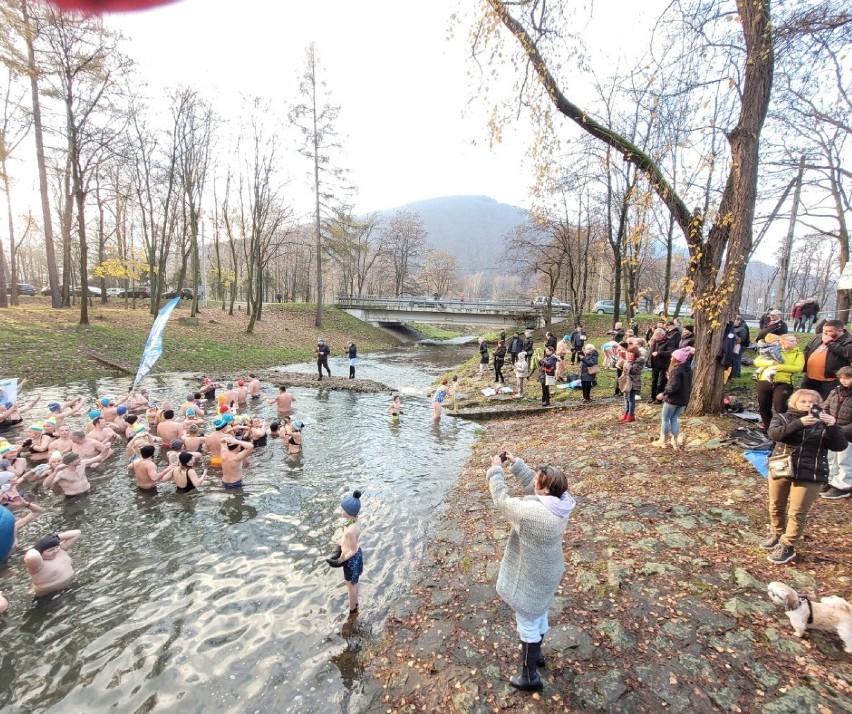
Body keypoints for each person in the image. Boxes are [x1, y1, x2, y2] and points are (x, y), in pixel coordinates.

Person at [485, 452, 575, 692]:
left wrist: (496, 470)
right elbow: (535, 490)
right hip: (549, 572)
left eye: (539, 480)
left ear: (545, 490)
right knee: (539, 614)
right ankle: (537, 656)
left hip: (532, 577)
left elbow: (501, 501)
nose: (535, 481)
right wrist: (517, 464)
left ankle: (529, 676)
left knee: (527, 621)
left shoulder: (529, 515)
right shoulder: (563, 503)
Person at [764, 389, 847, 564]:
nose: (808, 405)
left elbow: (839, 446)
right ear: (794, 403)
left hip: (811, 472)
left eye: (812, 402)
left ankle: (788, 545)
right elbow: (774, 434)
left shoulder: (824, 423)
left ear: (819, 404)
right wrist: (800, 423)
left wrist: (833, 427)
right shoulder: (783, 418)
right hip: (782, 468)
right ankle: (777, 532)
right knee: (775, 505)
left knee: (797, 512)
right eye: (803, 402)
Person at [754, 333, 804, 431]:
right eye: (791, 341)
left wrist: (779, 367)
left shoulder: (798, 353)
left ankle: (780, 428)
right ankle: (768, 426)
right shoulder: (772, 349)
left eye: (795, 341)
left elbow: (798, 368)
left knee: (780, 406)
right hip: (765, 379)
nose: (795, 343)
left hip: (784, 382)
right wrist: (771, 363)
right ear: (783, 342)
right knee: (763, 405)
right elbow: (757, 361)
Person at [325, 490, 363, 615]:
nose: (340, 511)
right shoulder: (354, 520)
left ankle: (352, 611)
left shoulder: (351, 530)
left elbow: (352, 550)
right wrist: (339, 548)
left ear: (350, 513)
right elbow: (345, 538)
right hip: (354, 556)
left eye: (343, 510)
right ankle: (356, 603)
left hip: (351, 560)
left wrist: (340, 560)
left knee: (350, 586)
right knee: (354, 582)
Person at [821, 366, 852, 500]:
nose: (843, 381)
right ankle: (831, 480)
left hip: (847, 435)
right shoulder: (836, 391)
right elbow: (825, 406)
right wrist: (824, 418)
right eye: (841, 378)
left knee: (844, 460)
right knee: (831, 457)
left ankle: (844, 486)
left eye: (847, 378)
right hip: (832, 431)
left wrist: (840, 429)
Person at [653, 347, 694, 447]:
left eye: (673, 357)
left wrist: (663, 394)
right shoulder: (687, 369)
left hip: (673, 399)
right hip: (683, 399)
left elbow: (674, 386)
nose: (671, 359)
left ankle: (663, 441)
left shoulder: (676, 370)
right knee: (674, 419)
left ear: (677, 359)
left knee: (665, 419)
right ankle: (674, 441)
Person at [801, 319, 852, 399]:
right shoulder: (819, 337)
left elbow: (848, 353)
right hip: (810, 377)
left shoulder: (848, 340)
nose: (825, 333)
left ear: (840, 330)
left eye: (829, 331)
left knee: (824, 404)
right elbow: (807, 349)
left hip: (830, 380)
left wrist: (829, 343)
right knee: (805, 401)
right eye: (824, 330)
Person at [24, 530, 82, 597]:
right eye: (50, 550)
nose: (55, 551)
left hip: (70, 584)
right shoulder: (38, 565)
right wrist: (38, 547)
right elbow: (32, 556)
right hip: (48, 593)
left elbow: (77, 533)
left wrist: (54, 538)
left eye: (56, 547)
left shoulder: (61, 550)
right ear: (40, 553)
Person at [648, 327, 676, 403]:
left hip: (663, 365)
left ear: (662, 335)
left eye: (658, 335)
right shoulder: (654, 341)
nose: (656, 336)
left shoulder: (669, 342)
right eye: (655, 334)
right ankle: (653, 397)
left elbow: (671, 352)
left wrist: (659, 353)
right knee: (654, 382)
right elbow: (651, 352)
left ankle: (659, 399)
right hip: (654, 365)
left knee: (661, 383)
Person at [617, 345, 645, 423]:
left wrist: (626, 363)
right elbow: (619, 367)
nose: (629, 355)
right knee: (626, 398)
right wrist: (621, 360)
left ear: (635, 354)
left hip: (633, 382)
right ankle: (626, 413)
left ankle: (631, 415)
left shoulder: (639, 361)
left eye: (631, 353)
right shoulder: (627, 360)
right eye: (628, 353)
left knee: (631, 399)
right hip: (626, 382)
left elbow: (633, 370)